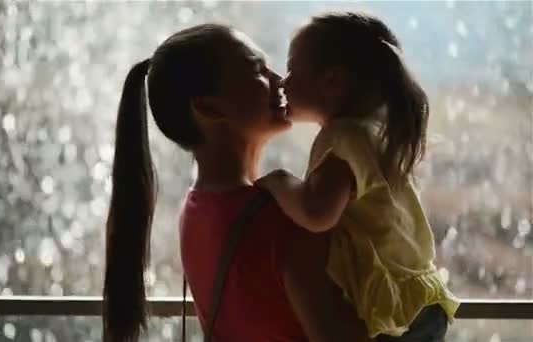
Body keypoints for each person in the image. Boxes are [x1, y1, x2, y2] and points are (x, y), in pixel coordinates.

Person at [103, 23, 371, 341]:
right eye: (257, 70)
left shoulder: (193, 211)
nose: (280, 81)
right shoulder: (283, 220)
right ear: (208, 107)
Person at [256, 12, 460, 341]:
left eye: (293, 69)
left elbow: (317, 213)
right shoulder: (377, 133)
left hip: (390, 312)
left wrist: (279, 181)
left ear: (333, 81)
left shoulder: (344, 138)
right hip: (420, 299)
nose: (283, 81)